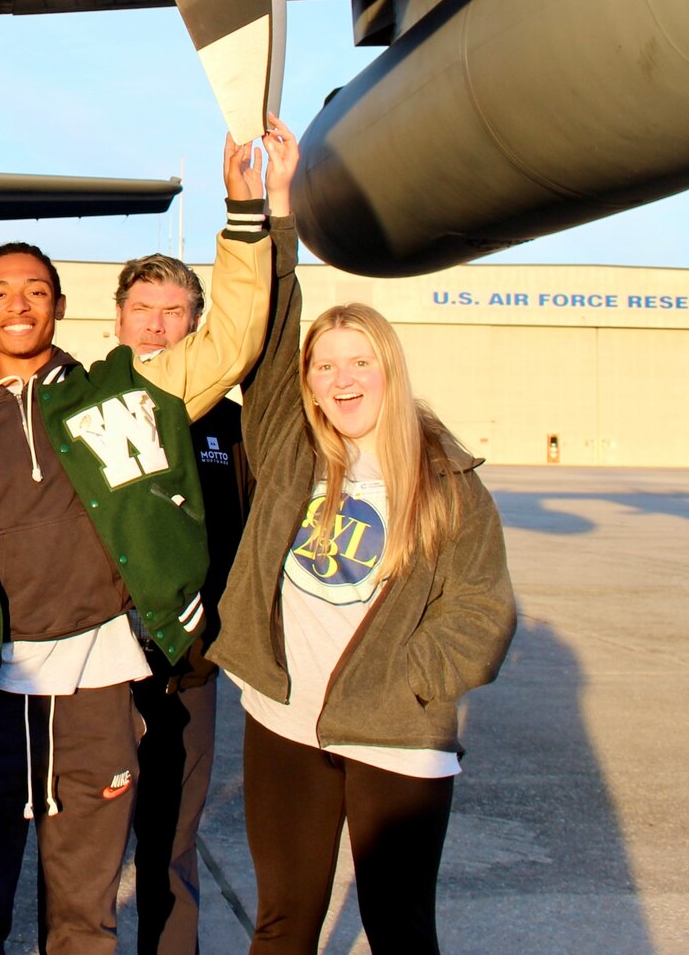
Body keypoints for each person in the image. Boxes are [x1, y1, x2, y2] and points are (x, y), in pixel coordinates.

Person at [0, 122, 287, 955]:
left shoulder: (129, 389)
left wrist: (245, 212)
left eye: (35, 289)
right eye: (1, 291)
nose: (19, 303)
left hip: (98, 694)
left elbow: (234, 337)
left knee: (83, 918)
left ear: (61, 306)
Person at [207, 193, 517, 954]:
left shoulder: (447, 478)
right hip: (283, 723)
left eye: (360, 363)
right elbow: (275, 323)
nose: (342, 381)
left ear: (389, 371)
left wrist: (409, 675)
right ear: (307, 383)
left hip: (397, 734)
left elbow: (483, 608)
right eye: (325, 366)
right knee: (283, 921)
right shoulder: (290, 448)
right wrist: (270, 209)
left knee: (400, 927)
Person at [113, 253, 252, 955]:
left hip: (190, 669)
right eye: (145, 310)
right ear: (119, 319)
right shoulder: (83, 407)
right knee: (83, 845)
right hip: (96, 668)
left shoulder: (230, 424)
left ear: (195, 324)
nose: (159, 326)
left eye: (175, 313)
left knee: (172, 841)